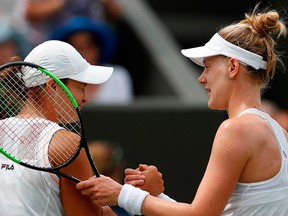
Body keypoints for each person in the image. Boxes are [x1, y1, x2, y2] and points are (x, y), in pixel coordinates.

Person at [76, 4, 288, 215]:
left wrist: (122, 194)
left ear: (233, 67)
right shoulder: (281, 135)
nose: (201, 78)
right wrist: (155, 197)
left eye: (207, 67)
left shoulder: (237, 130)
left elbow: (200, 215)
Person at [0, 40, 163, 215]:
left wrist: (125, 197)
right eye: (81, 88)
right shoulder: (67, 145)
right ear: (53, 86)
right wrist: (143, 198)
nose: (85, 98)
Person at [50, 16, 134, 104]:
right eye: (76, 48)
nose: (82, 53)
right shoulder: (58, 82)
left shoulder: (118, 76)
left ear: (98, 48)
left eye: (87, 46)